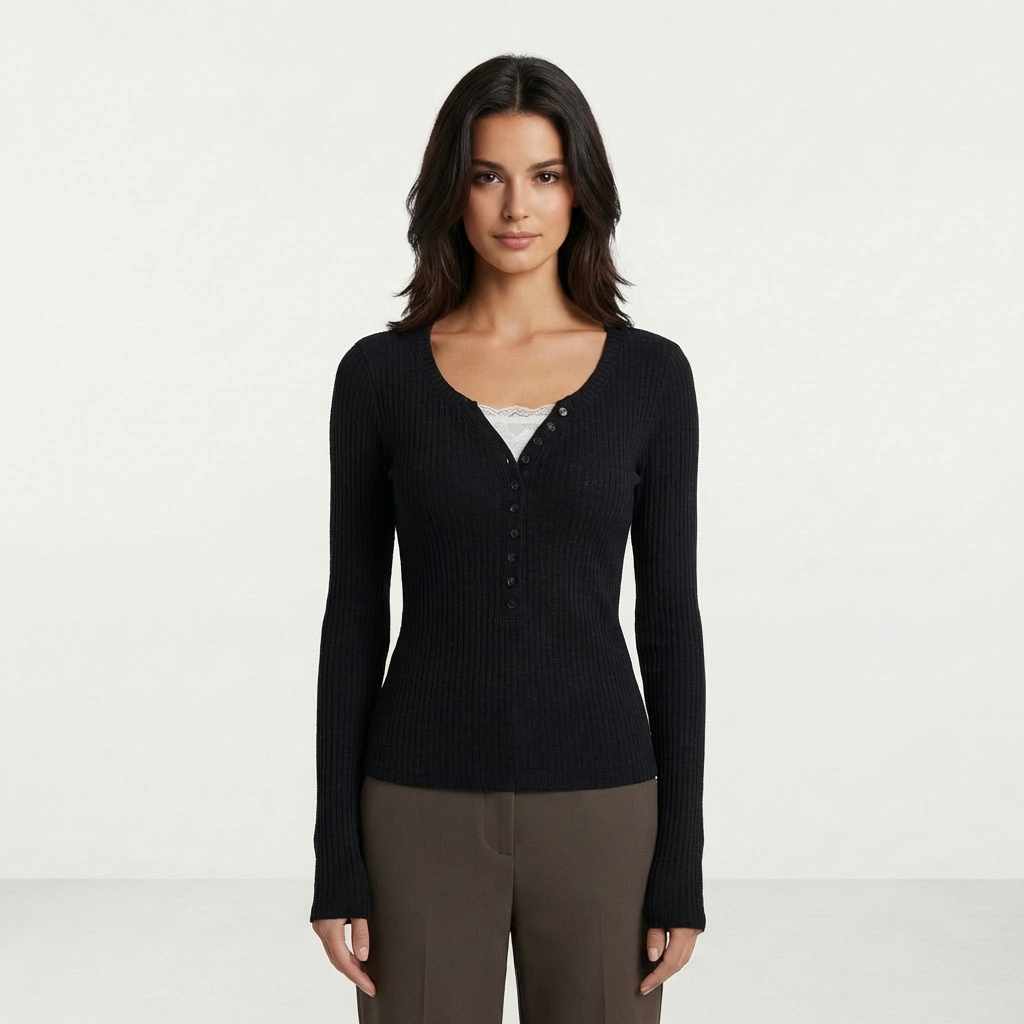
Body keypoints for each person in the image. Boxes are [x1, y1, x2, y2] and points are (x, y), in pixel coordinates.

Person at [309, 53, 707, 1024]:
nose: (516, 206)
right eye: (487, 175)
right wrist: (336, 858)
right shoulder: (378, 378)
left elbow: (669, 624)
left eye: (545, 174)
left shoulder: (652, 378)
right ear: (452, 190)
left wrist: (680, 863)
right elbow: (353, 617)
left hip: (606, 808)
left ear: (582, 191)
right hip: (415, 808)